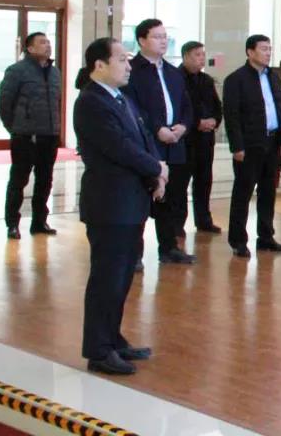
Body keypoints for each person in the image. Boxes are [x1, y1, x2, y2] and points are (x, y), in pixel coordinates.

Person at [74, 37, 167, 375]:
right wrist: (156, 168)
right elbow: (118, 146)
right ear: (99, 65)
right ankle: (98, 350)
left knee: (123, 276)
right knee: (107, 278)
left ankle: (112, 338)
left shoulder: (119, 97)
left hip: (131, 202)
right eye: (122, 60)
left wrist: (156, 170)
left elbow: (142, 137)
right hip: (110, 204)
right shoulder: (91, 102)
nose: (129, 66)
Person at [122, 19, 195, 265]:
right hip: (147, 143)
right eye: (157, 37)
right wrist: (157, 129)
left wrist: (183, 126)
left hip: (175, 143)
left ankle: (169, 247)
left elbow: (186, 105)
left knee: (172, 197)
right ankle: (135, 254)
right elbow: (132, 106)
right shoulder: (132, 70)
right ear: (142, 40)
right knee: (143, 197)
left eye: (165, 36)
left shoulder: (174, 72)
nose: (163, 41)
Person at [223, 34, 281, 258]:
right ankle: (238, 240)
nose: (268, 53)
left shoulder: (272, 77)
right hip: (249, 145)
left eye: (270, 48)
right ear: (250, 52)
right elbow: (232, 116)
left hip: (272, 142)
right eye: (263, 49)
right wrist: (237, 146)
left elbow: (280, 110)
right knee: (243, 193)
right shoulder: (236, 79)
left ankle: (266, 237)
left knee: (268, 192)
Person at [0, 31, 62, 239]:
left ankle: (39, 222)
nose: (48, 45)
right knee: (19, 180)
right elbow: (4, 102)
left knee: (45, 180)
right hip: (25, 136)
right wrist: (15, 127)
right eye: (42, 42)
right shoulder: (17, 71)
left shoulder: (55, 72)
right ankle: (12, 224)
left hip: (49, 135)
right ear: (30, 48)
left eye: (48, 42)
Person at [179, 41, 223, 233]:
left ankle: (204, 220)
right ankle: (177, 224)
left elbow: (217, 106)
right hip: (186, 140)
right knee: (180, 183)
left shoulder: (206, 80)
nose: (202, 58)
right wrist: (197, 122)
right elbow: (179, 108)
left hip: (206, 140)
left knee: (204, 181)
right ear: (186, 56)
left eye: (203, 54)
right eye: (197, 55)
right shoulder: (176, 78)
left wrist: (214, 120)